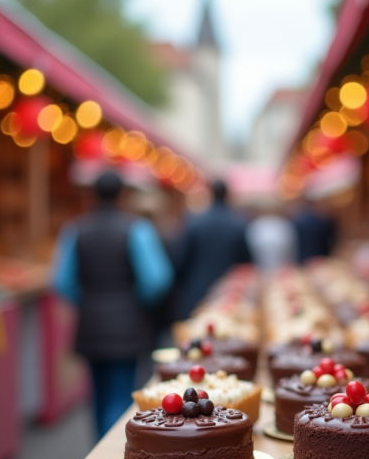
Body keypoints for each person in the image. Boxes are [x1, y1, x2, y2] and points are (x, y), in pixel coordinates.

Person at [51, 171, 173, 439]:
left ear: (92, 194)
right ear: (123, 194)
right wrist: (135, 303)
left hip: (90, 324)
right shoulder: (137, 229)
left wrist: (87, 300)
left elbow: (60, 281)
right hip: (127, 325)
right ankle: (109, 457)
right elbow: (157, 279)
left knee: (97, 395)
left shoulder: (75, 229)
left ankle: (96, 449)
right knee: (120, 396)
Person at [175, 180, 250, 319]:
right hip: (229, 296)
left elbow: (181, 261)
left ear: (210, 194)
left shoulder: (194, 223)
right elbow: (246, 262)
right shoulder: (239, 224)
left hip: (196, 291)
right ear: (227, 195)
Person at [246, 208, 297, 273]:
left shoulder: (284, 224)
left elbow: (290, 248)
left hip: (282, 267)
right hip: (261, 267)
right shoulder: (255, 225)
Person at [292, 199, 337, 264]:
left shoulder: (297, 222)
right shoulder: (321, 221)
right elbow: (330, 239)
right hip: (320, 256)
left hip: (303, 257)